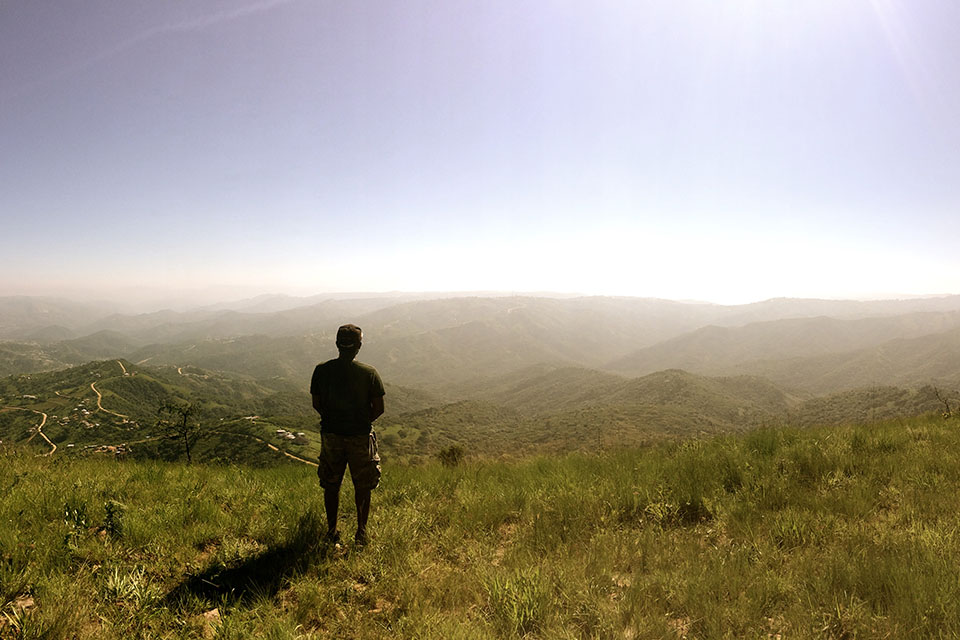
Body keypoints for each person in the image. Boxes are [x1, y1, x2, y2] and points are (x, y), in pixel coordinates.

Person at [310, 324, 385, 547]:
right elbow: (379, 408)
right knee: (362, 486)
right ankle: (361, 535)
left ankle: (331, 532)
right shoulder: (369, 373)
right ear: (359, 346)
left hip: (331, 435)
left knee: (331, 485)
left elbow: (317, 403)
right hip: (360, 436)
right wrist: (360, 421)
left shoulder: (321, 370)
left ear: (336, 344)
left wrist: (334, 419)